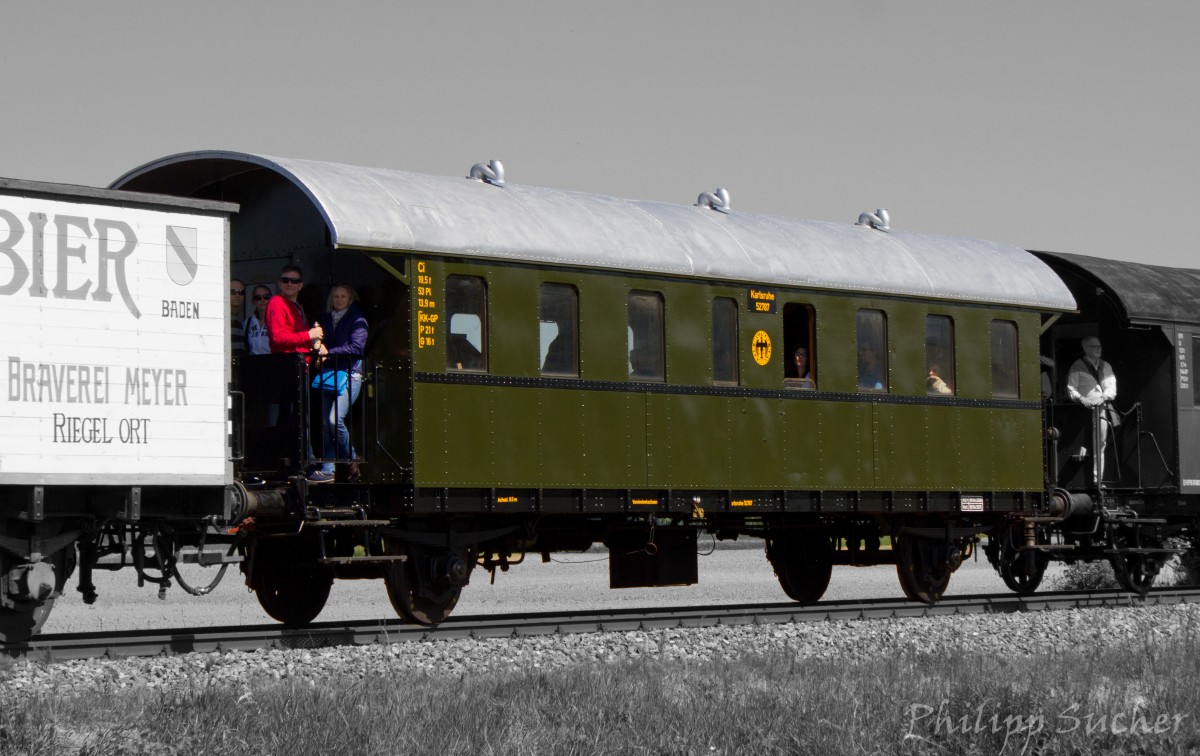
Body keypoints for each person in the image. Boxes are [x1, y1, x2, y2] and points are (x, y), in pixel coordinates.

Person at [266, 265, 327, 482]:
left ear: (301, 285)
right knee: (297, 419)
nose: (289, 284)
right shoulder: (276, 303)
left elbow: (298, 339)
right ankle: (303, 466)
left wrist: (316, 346)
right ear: (279, 282)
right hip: (288, 368)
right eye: (285, 280)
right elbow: (278, 338)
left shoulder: (298, 307)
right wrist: (308, 335)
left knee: (296, 418)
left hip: (300, 368)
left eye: (294, 281)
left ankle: (295, 465)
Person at [315, 284, 368, 483]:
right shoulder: (325, 319)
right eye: (336, 296)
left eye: (343, 296)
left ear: (350, 299)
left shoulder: (358, 319)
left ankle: (351, 459)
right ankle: (328, 469)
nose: (339, 299)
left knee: (334, 420)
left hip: (350, 374)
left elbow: (356, 347)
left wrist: (329, 353)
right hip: (329, 374)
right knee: (325, 424)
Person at [1066, 336, 1118, 483]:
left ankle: (1098, 480)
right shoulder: (1077, 366)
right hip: (1082, 412)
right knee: (1086, 444)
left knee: (1101, 444)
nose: (1099, 349)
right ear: (1085, 348)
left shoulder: (1106, 366)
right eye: (1094, 346)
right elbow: (1071, 389)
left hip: (1100, 409)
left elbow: (1112, 389)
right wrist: (1082, 399)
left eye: (1099, 346)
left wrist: (1102, 398)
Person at [245, 285, 273, 355]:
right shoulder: (247, 323)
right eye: (258, 298)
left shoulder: (278, 320)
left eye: (266, 297)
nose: (262, 300)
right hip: (253, 360)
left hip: (273, 360)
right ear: (253, 301)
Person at [230, 279, 247, 354]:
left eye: (241, 292)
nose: (237, 295)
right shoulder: (220, 319)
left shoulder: (239, 323)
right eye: (233, 292)